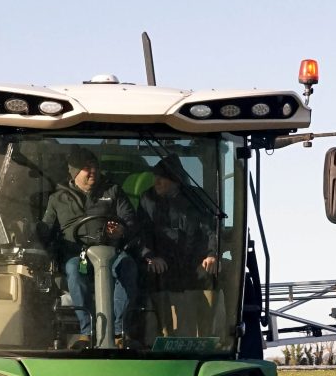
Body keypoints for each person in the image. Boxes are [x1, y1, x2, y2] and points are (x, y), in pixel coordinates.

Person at [39, 145, 138, 346]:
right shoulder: (57, 198)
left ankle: (118, 331)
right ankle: (87, 331)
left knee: (127, 265)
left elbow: (130, 219)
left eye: (95, 167)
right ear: (75, 172)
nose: (93, 171)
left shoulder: (113, 191)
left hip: (112, 253)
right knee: (73, 269)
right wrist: (35, 233)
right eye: (87, 167)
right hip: (79, 255)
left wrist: (120, 230)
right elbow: (46, 229)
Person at [138, 157, 219, 337]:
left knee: (210, 273)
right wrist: (149, 255)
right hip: (162, 260)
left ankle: (207, 336)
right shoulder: (147, 199)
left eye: (161, 178)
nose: (156, 182)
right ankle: (165, 335)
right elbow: (141, 232)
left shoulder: (197, 198)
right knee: (153, 275)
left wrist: (211, 254)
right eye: (155, 177)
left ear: (175, 180)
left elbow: (210, 230)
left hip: (192, 259)